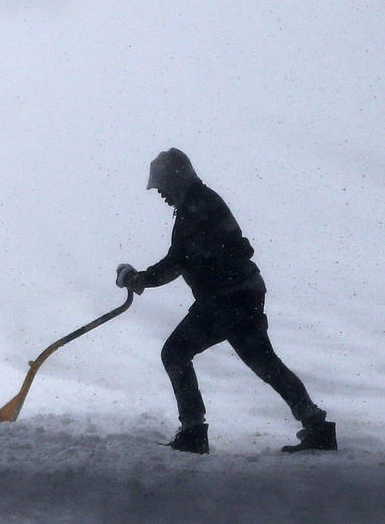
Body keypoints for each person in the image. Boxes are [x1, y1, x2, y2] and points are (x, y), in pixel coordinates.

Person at [116, 148, 336, 454]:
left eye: (163, 186)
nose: (161, 194)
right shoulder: (199, 202)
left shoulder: (197, 207)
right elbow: (187, 258)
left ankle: (193, 430)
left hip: (226, 299)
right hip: (240, 293)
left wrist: (142, 279)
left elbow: (179, 260)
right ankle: (316, 425)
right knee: (264, 363)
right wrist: (146, 278)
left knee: (176, 352)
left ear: (177, 181)